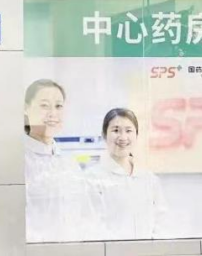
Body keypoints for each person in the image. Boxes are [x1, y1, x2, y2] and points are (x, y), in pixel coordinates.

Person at [24, 79, 101, 243]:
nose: (53, 113)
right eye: (44, 105)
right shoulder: (18, 161)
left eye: (58, 106)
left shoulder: (68, 163)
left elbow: (87, 215)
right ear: (26, 108)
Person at [87, 108, 168, 240]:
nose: (123, 137)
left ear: (136, 135)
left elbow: (161, 221)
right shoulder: (92, 179)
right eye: (116, 130)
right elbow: (93, 226)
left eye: (128, 131)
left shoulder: (149, 179)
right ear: (104, 135)